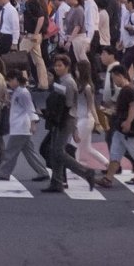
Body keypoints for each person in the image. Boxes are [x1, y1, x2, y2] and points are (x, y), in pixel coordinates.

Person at [42, 54, 104, 193]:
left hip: (66, 119)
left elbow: (70, 105)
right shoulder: (62, 81)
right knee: (54, 150)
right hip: (60, 118)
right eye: (56, 65)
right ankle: (57, 181)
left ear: (67, 67)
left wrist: (73, 127)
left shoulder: (69, 83)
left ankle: (85, 172)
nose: (57, 68)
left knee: (58, 150)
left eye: (60, 66)